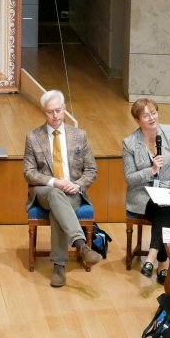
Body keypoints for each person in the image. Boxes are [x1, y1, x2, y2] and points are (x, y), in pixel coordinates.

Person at [23, 89, 102, 287]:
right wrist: (54, 182)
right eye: (50, 111)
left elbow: (92, 170)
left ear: (65, 109)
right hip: (45, 190)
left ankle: (59, 266)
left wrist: (77, 185)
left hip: (72, 191)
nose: (55, 115)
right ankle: (81, 245)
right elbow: (29, 172)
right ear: (44, 112)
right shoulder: (33, 137)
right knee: (55, 194)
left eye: (58, 110)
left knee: (57, 210)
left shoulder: (79, 135)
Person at [123, 98, 170, 285]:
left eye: (154, 113)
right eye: (146, 116)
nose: (151, 118)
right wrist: (150, 170)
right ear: (137, 120)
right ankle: (162, 263)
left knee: (163, 205)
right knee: (162, 208)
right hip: (142, 194)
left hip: (169, 189)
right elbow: (130, 178)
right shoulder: (129, 143)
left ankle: (151, 257)